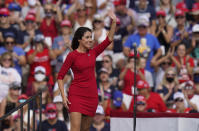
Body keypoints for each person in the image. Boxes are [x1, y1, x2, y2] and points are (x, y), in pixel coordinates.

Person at [57, 11, 116, 131]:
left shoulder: (93, 52)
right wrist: (63, 97)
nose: (90, 40)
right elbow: (60, 76)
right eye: (87, 37)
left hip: (92, 97)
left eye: (91, 38)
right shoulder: (72, 55)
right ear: (79, 40)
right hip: (76, 95)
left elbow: (109, 39)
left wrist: (114, 22)